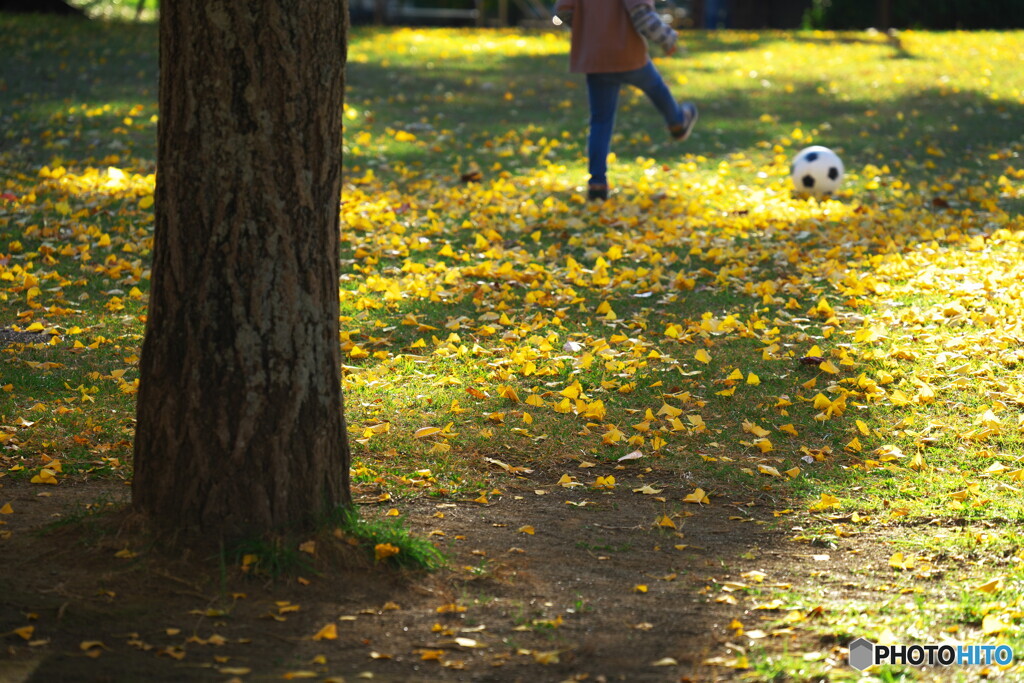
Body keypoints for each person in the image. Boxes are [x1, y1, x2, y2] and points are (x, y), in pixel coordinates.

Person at [554, 0, 698, 201]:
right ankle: (677, 122)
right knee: (656, 86)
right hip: (628, 54)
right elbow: (641, 14)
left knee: (600, 120)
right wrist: (667, 38)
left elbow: (562, 11)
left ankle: (597, 183)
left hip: (596, 56)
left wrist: (588, 29)